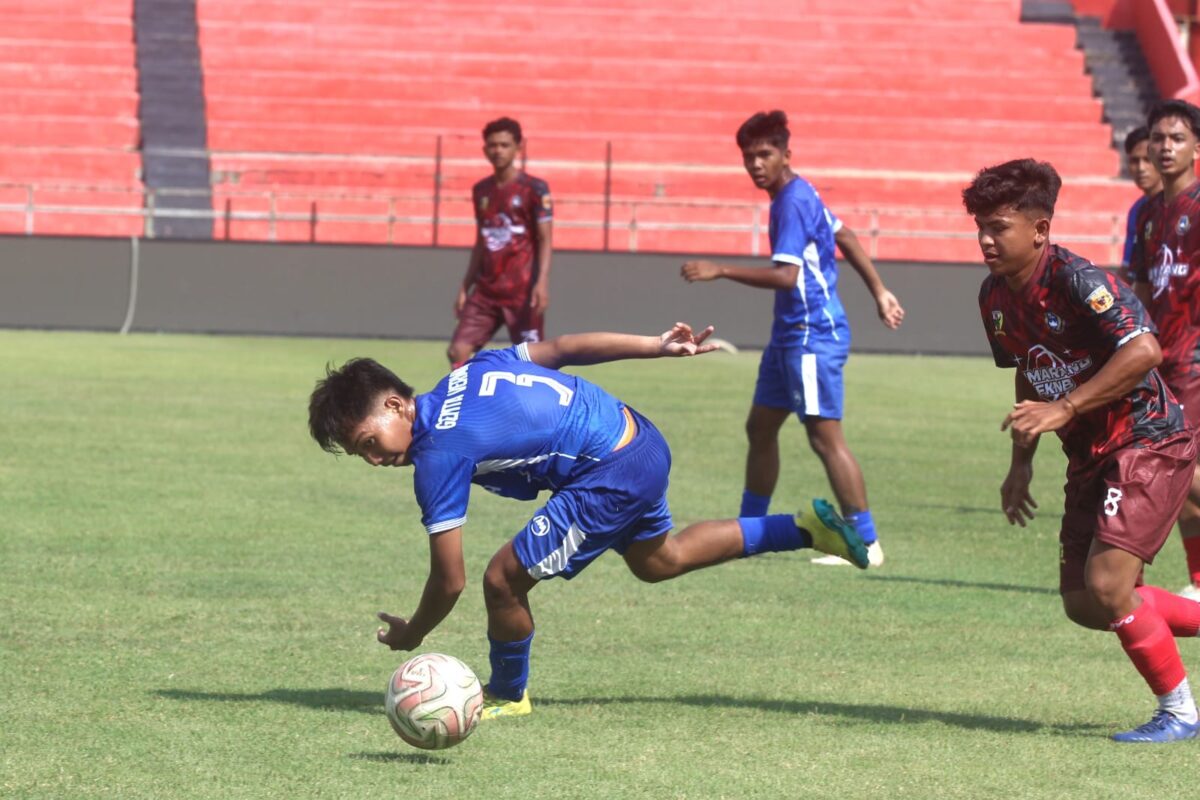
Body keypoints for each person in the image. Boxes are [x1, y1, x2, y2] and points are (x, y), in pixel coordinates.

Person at [307, 323, 869, 720]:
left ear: (397, 406)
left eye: (369, 443)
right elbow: (564, 347)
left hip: (610, 470)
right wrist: (655, 345)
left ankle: (506, 694)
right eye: (362, 455)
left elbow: (448, 579)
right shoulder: (468, 371)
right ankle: (802, 528)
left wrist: (415, 631)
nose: (376, 460)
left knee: (501, 579)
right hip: (638, 436)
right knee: (658, 561)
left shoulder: (437, 457)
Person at [968, 157, 1200, 743]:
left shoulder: (1079, 280)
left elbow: (1145, 350)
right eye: (982, 227)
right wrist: (1020, 463)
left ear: (1040, 229)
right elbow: (1029, 372)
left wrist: (1066, 409)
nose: (986, 240)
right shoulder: (994, 298)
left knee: (1107, 586)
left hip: (1147, 437)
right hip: (1090, 453)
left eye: (999, 227)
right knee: (1084, 602)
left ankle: (1180, 713)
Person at [680, 110, 904, 568]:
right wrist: (880, 292)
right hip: (789, 336)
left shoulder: (792, 202)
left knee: (825, 439)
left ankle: (867, 543)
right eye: (748, 156)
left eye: (765, 154)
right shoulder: (801, 193)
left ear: (786, 154)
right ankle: (747, 531)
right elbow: (848, 235)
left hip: (811, 336)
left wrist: (719, 270)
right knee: (760, 428)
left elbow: (786, 277)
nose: (756, 164)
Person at [1129, 100, 1200, 601]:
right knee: (1181, 480)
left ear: (1197, 147)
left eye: (1176, 138)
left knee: (1174, 469)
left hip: (1195, 359)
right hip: (1160, 360)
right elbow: (1144, 287)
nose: (1165, 147)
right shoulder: (1148, 213)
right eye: (1159, 138)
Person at [448, 117, 553, 368]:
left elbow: (545, 239)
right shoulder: (481, 190)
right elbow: (482, 241)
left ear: (518, 148)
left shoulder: (535, 189)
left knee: (534, 360)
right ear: (485, 149)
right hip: (486, 291)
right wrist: (466, 285)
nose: (498, 150)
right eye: (493, 145)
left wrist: (541, 283)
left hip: (522, 291)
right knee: (458, 350)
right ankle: (467, 402)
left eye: (505, 145)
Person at [1118, 126, 1163, 285]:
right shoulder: (1137, 210)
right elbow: (1127, 268)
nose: (1141, 168)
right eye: (1134, 161)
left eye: (1147, 160)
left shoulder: (1188, 205)